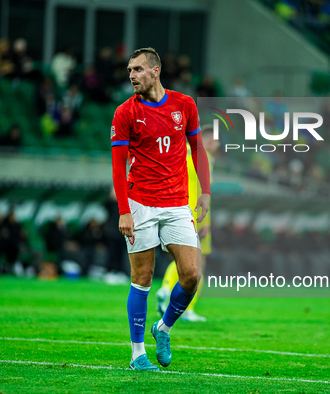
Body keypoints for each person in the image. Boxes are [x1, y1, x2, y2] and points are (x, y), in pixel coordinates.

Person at [111, 47, 210, 371]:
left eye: (137, 69)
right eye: (129, 71)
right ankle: (137, 354)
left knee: (192, 275)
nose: (131, 76)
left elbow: (197, 148)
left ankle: (163, 328)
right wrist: (124, 210)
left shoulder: (185, 105)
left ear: (155, 71)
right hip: (140, 204)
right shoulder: (125, 112)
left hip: (177, 203)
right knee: (141, 277)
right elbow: (118, 166)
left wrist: (205, 194)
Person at [156, 125, 219, 322]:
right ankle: (188, 309)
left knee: (181, 260)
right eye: (216, 141)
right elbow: (203, 192)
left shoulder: (181, 151)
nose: (218, 145)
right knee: (198, 263)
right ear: (209, 141)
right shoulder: (205, 157)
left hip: (178, 209)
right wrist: (206, 221)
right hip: (197, 214)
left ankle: (166, 287)